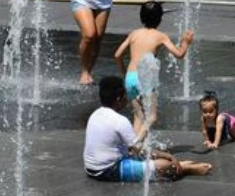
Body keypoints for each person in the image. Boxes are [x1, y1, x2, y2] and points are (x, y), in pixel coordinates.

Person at [83, 76, 212, 182]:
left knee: (154, 157)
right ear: (118, 99)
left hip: (91, 168)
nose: (127, 99)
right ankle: (186, 169)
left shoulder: (95, 114)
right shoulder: (120, 121)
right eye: (125, 96)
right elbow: (140, 150)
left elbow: (131, 148)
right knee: (166, 166)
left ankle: (180, 164)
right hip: (108, 170)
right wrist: (168, 155)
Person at [113, 1, 195, 135]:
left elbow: (117, 55)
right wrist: (185, 42)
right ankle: (137, 144)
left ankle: (134, 148)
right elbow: (179, 54)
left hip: (130, 78)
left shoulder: (134, 34)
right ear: (160, 19)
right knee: (152, 117)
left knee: (138, 116)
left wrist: (124, 72)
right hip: (145, 78)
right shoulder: (160, 36)